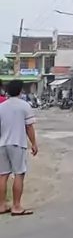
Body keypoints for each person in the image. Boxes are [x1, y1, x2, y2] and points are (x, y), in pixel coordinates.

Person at [0, 80, 38, 216]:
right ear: (20, 91)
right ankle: (16, 206)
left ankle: (1, 205)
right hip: (17, 144)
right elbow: (29, 127)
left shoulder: (1, 106)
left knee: (2, 175)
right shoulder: (24, 106)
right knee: (19, 174)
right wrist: (34, 143)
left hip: (2, 144)